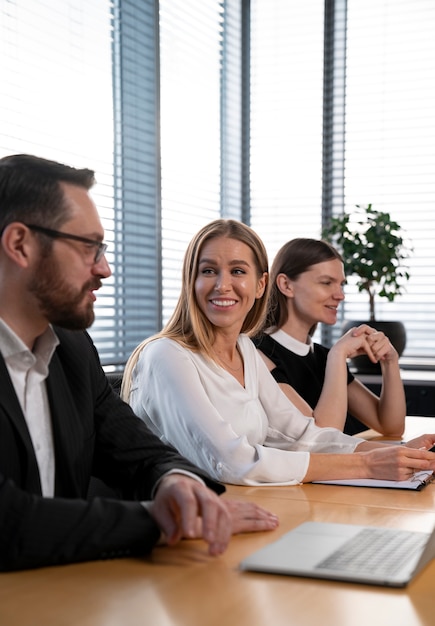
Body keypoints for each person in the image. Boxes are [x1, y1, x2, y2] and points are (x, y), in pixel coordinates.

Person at [0, 154, 279, 572]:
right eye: (88, 247)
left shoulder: (72, 350)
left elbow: (142, 452)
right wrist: (159, 520)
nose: (105, 269)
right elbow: (8, 522)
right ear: (20, 244)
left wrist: (178, 484)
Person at [122, 219, 435, 487]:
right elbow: (232, 462)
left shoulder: (244, 349)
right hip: (182, 527)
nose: (222, 284)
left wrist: (396, 453)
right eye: (208, 270)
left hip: (238, 508)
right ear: (191, 281)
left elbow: (301, 434)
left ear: (261, 285)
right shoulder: (165, 356)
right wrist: (369, 466)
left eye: (237, 271)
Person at [253, 237, 406, 436]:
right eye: (327, 283)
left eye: (341, 284)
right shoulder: (257, 353)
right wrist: (338, 355)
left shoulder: (322, 357)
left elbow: (391, 426)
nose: (340, 295)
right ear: (286, 285)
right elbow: (322, 439)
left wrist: (390, 362)